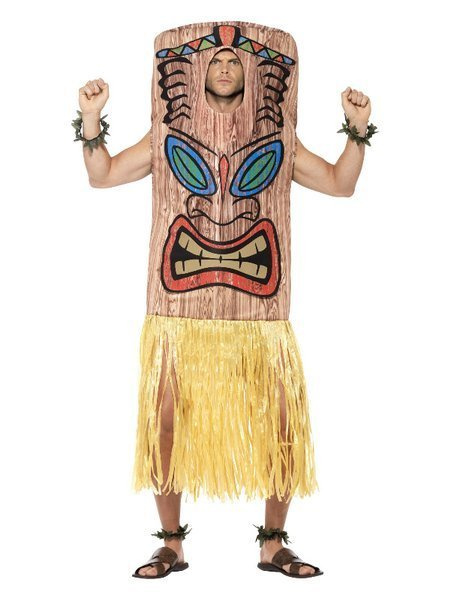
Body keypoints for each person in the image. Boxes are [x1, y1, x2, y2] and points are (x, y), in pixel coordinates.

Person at [76, 21, 373, 580]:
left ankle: (273, 543)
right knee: (165, 422)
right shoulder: (166, 134)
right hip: (177, 311)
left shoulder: (278, 139)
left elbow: (340, 183)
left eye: (236, 60)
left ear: (251, 74)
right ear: (199, 71)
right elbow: (104, 174)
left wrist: (357, 132)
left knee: (282, 420)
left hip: (260, 316)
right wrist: (91, 120)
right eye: (216, 60)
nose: (226, 66)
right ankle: (171, 544)